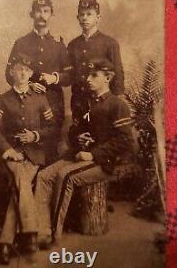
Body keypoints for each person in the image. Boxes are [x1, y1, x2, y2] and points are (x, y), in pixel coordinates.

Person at [35, 59, 135, 248]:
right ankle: (42, 229)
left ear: (108, 78)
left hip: (103, 162)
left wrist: (94, 154)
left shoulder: (117, 105)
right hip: (81, 155)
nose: (88, 79)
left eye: (94, 75)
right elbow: (74, 130)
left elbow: (125, 141)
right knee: (44, 176)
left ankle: (54, 235)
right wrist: (78, 137)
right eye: (88, 75)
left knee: (65, 177)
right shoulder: (87, 103)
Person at [0, 53, 55, 265]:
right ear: (11, 72)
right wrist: (7, 149)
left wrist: (35, 136)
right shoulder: (2, 99)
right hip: (13, 154)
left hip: (34, 155)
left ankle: (6, 243)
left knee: (20, 184)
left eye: (27, 70)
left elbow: (52, 127)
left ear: (32, 73)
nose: (24, 73)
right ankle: (30, 234)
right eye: (19, 69)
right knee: (22, 180)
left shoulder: (40, 98)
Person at [6, 0, 72, 162]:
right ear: (32, 14)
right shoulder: (21, 43)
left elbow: (70, 75)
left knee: (51, 150)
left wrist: (54, 78)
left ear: (51, 14)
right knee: (27, 151)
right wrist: (27, 84)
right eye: (38, 11)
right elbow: (8, 73)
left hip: (53, 103)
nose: (42, 16)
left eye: (46, 11)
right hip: (27, 105)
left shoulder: (58, 44)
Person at [68, 0, 124, 121]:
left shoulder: (109, 43)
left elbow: (118, 72)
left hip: (101, 100)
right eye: (82, 14)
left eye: (89, 14)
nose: (85, 18)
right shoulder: (73, 45)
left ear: (98, 18)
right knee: (80, 135)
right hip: (79, 101)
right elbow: (70, 73)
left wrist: (117, 99)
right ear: (77, 18)